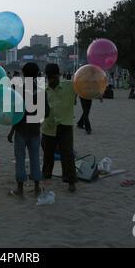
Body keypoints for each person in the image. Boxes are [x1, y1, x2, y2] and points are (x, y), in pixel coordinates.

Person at [7, 63, 43, 197]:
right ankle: (37, 187)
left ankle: (20, 189)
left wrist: (11, 131)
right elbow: (47, 112)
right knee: (35, 158)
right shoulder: (40, 91)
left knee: (20, 158)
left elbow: (16, 114)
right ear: (37, 74)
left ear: (23, 73)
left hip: (21, 130)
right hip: (35, 130)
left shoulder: (20, 92)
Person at [41, 64, 78, 193]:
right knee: (48, 155)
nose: (52, 80)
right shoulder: (43, 90)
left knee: (67, 154)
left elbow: (84, 89)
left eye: (54, 77)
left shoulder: (70, 86)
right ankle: (46, 177)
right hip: (48, 128)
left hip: (65, 126)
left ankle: (71, 181)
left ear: (59, 75)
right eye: (49, 78)